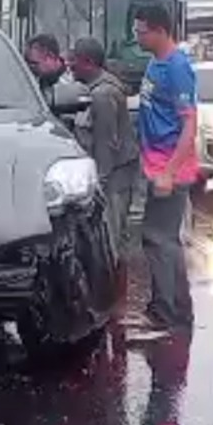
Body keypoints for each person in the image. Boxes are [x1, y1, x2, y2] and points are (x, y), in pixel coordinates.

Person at [132, 4, 198, 334]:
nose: (137, 36)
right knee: (163, 238)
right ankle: (177, 309)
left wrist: (169, 172)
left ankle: (166, 313)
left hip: (170, 168)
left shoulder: (177, 67)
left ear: (159, 30)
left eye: (141, 31)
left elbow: (189, 125)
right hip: (155, 164)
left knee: (158, 239)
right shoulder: (155, 63)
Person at [68, 37, 141, 277]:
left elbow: (106, 145)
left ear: (88, 62)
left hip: (113, 179)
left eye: (74, 61)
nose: (70, 66)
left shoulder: (102, 95)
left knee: (110, 238)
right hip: (112, 175)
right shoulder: (96, 90)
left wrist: (98, 184)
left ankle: (113, 291)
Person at [25, 34, 72, 101]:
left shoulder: (69, 87)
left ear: (50, 57)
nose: (29, 69)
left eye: (34, 64)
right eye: (26, 64)